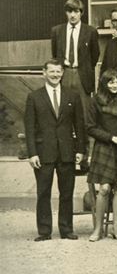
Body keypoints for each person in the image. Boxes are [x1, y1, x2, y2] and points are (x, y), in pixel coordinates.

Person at [25, 59, 86, 241]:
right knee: (43, 192)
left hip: (67, 151)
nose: (55, 75)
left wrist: (80, 150)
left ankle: (66, 229)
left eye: (58, 71)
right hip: (44, 153)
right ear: (44, 73)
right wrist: (32, 153)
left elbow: (79, 125)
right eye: (51, 71)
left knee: (66, 192)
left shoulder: (72, 96)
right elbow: (29, 127)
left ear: (62, 73)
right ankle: (44, 231)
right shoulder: (34, 97)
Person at [85, 70, 117, 241]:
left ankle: (116, 228)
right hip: (104, 147)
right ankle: (98, 229)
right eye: (111, 82)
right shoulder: (95, 101)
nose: (115, 85)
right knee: (105, 188)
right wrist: (111, 138)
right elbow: (90, 127)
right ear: (104, 84)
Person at [51, 0, 101, 95]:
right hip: (64, 73)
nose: (72, 15)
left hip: (82, 75)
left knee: (83, 107)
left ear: (81, 13)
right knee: (64, 107)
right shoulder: (57, 31)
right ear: (66, 13)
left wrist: (85, 68)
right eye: (69, 11)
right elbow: (55, 54)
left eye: (76, 11)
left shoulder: (90, 31)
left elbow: (95, 55)